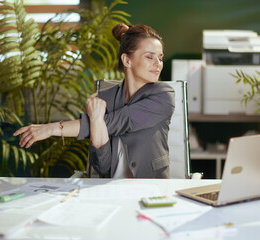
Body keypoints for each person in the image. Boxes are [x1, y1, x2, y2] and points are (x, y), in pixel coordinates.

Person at [14, 23, 175, 178]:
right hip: (110, 190)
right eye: (150, 57)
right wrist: (96, 121)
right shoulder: (103, 99)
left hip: (152, 190)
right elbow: (102, 166)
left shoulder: (163, 95)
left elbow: (117, 121)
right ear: (127, 60)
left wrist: (51, 129)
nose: (158, 64)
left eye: (160, 58)